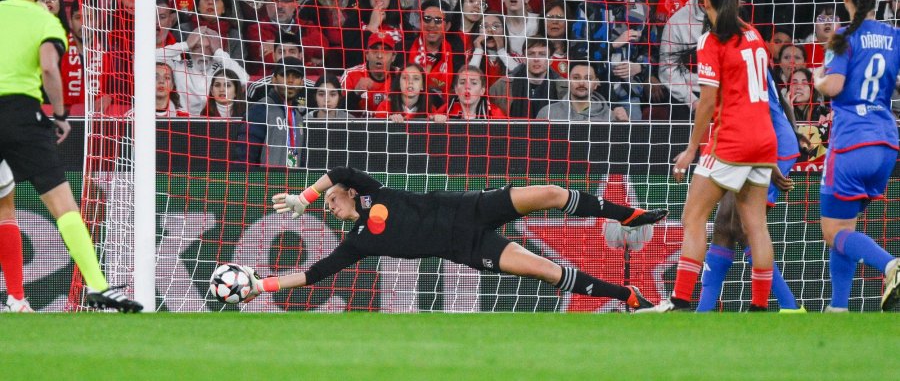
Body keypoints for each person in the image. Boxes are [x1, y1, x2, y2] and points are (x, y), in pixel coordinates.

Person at [238, 166, 669, 310]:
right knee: (548, 271)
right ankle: (628, 296)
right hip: (466, 248)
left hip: (469, 207)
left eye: (331, 199)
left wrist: (304, 196)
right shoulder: (358, 242)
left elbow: (344, 172)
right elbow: (314, 274)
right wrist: (261, 285)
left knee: (552, 193)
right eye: (325, 204)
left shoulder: (370, 191)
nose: (329, 206)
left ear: (349, 194)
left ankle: (629, 216)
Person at [0, 0, 140, 312]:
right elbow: (49, 68)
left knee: (4, 207)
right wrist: (60, 115)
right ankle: (98, 284)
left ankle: (16, 299)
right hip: (21, 113)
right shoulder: (44, 20)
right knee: (63, 205)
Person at [641, 0, 787, 313]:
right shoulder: (754, 35)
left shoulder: (711, 41)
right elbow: (762, 96)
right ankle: (759, 308)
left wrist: (692, 149)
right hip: (763, 141)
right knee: (756, 226)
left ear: (705, 3)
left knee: (693, 216)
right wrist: (770, 157)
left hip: (731, 141)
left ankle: (679, 300)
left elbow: (707, 102)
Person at [811, 0, 900, 312]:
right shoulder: (894, 36)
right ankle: (838, 308)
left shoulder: (842, 36)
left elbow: (833, 87)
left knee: (833, 232)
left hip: (851, 144)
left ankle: (892, 265)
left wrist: (819, 78)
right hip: (887, 143)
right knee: (845, 228)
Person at [696, 70, 805, 312]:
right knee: (725, 225)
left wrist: (769, 159)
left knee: (745, 226)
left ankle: (790, 307)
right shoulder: (747, 49)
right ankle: (702, 311)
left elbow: (757, 109)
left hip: (762, 144)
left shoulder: (738, 51)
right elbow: (780, 98)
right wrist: (793, 133)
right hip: (750, 142)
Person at [242, 56, 306, 167]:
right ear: (273, 79)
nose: (290, 81)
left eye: (295, 76)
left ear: (302, 82)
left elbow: (296, 159)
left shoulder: (298, 117)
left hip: (292, 182)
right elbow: (244, 158)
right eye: (284, 75)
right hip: (263, 182)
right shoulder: (260, 109)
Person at [536, 61, 626, 122]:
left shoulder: (611, 117)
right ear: (568, 81)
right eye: (576, 78)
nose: (582, 83)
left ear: (596, 83)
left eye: (588, 78)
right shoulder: (547, 113)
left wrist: (624, 125)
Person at [433, 65, 507, 121]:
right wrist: (435, 121)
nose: (467, 86)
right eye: (462, 82)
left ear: (482, 91)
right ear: (456, 90)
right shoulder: (445, 110)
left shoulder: (495, 114)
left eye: (474, 83)